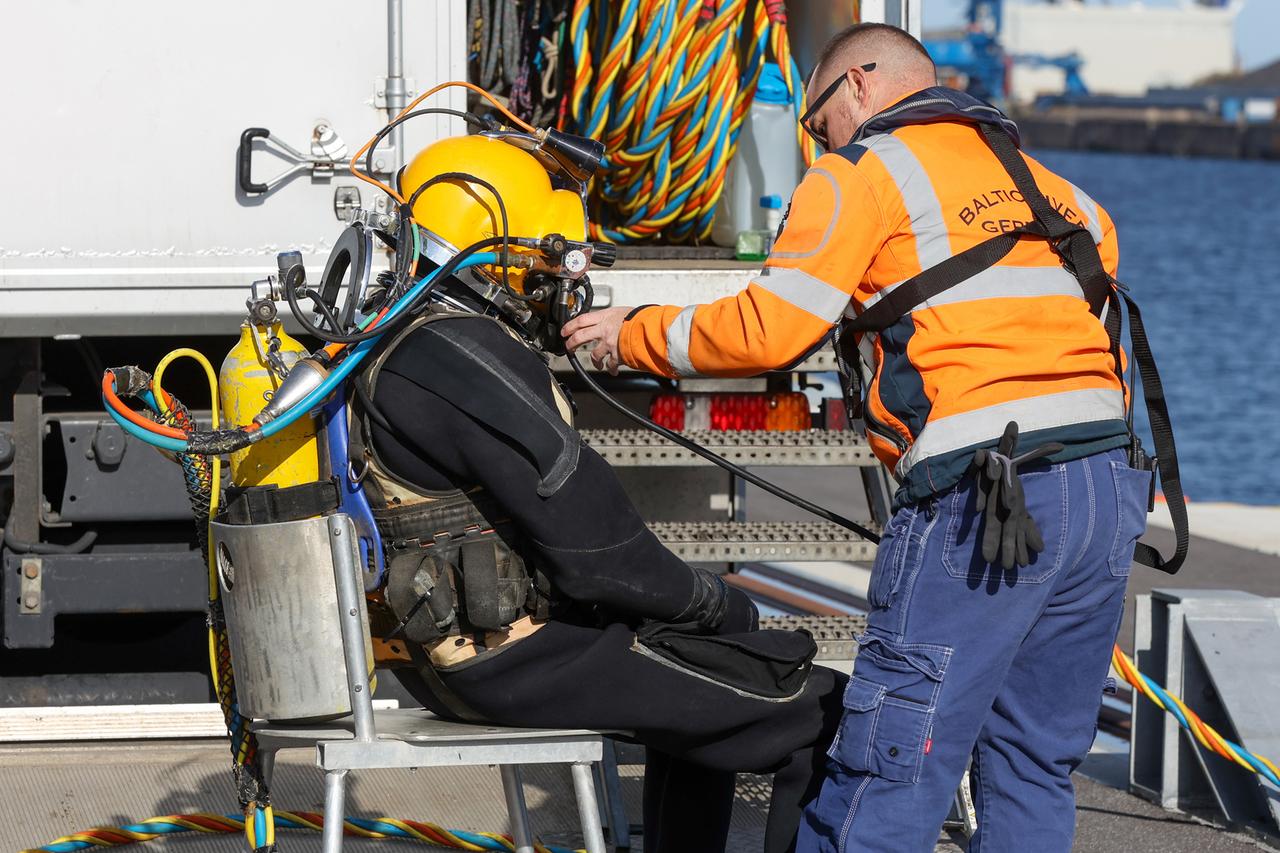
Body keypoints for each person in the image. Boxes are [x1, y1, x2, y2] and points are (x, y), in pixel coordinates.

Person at [562, 22, 1153, 853]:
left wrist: (632, 335)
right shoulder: (1061, 192)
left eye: (816, 122)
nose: (817, 142)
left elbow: (772, 330)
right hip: (1105, 487)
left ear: (861, 87)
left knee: (891, 760)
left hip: (985, 496)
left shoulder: (862, 173)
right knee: (1032, 759)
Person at [354, 131, 846, 853]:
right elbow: (597, 553)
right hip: (511, 660)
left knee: (709, 666)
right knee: (820, 712)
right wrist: (716, 600)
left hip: (441, 662)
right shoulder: (464, 353)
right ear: (506, 250)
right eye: (551, 255)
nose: (559, 276)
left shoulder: (397, 338)